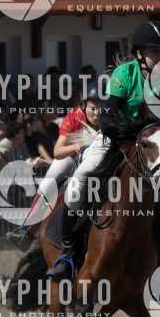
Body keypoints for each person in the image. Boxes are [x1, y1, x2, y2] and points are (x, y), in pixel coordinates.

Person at [47, 20, 160, 282]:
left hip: (151, 150)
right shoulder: (124, 73)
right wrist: (131, 135)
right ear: (139, 54)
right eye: (156, 51)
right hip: (115, 140)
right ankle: (67, 253)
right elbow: (108, 117)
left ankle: (159, 265)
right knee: (80, 178)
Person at [6, 84, 103, 249]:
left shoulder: (109, 120)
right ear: (84, 105)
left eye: (101, 109)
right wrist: (74, 147)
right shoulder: (74, 116)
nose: (97, 113)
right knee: (47, 184)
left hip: (98, 162)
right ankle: (28, 232)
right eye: (93, 108)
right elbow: (57, 151)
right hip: (71, 158)